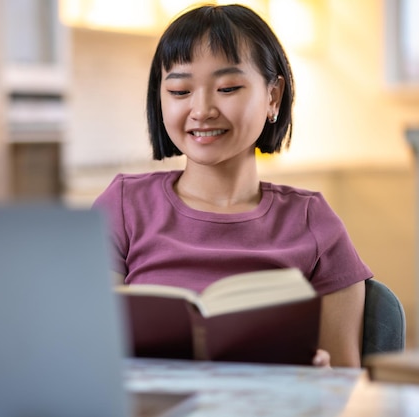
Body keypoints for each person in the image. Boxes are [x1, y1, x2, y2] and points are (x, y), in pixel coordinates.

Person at [92, 4, 372, 368]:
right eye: (179, 91)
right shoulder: (124, 206)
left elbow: (345, 382)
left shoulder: (315, 223)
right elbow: (88, 346)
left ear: (273, 96)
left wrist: (320, 379)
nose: (202, 108)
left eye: (227, 87)